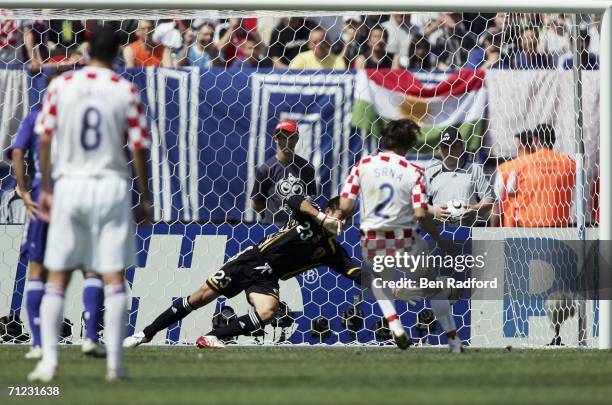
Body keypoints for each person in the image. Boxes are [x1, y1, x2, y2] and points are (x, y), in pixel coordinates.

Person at [27, 25, 151, 383]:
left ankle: (48, 363)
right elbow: (138, 145)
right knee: (113, 275)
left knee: (57, 277)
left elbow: (45, 136)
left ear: (86, 50)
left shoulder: (62, 85)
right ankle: (115, 365)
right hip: (111, 186)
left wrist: (47, 186)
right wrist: (144, 196)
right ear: (116, 54)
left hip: (69, 185)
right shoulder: (125, 89)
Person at [124, 196, 362, 349]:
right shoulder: (310, 215)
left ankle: (213, 336)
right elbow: (293, 200)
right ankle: (144, 334)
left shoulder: (332, 250)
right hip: (250, 260)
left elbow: (354, 272)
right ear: (329, 210)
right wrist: (321, 217)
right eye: (341, 217)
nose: (343, 224)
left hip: (268, 276)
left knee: (268, 311)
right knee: (199, 298)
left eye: (347, 221)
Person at [338, 119, 462, 352]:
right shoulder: (414, 171)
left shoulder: (362, 165)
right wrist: (439, 238)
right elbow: (420, 212)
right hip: (406, 240)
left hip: (373, 239)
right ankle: (454, 341)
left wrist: (343, 217)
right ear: (409, 145)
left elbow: (345, 205)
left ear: (384, 139)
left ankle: (395, 325)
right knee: (433, 286)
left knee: (378, 281)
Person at [8, 70, 107, 360]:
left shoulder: (35, 118)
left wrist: (24, 192)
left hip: (45, 196)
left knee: (38, 270)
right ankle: (90, 337)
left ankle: (39, 343)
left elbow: (16, 152)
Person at [494, 124, 576, 227]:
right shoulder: (569, 163)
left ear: (535, 140)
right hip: (559, 229)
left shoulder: (520, 164)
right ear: (553, 141)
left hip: (529, 229)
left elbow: (510, 191)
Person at [424, 127, 494, 227]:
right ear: (439, 149)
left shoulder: (474, 169)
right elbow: (419, 204)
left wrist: (476, 209)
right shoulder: (430, 172)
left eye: (453, 145)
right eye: (445, 146)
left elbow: (489, 199)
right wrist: (435, 211)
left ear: (462, 147)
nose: (449, 150)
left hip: (469, 232)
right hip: (439, 234)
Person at [250, 119, 317, 225]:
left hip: (299, 228)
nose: (287, 141)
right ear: (276, 139)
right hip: (273, 228)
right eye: (283, 137)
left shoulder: (307, 168)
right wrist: (270, 217)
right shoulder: (266, 169)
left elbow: (311, 199)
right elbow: (256, 203)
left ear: (297, 139)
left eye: (291, 137)